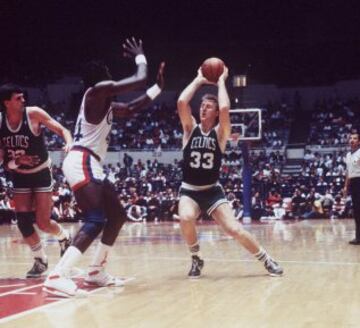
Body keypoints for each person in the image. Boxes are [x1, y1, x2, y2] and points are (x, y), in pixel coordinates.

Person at [44, 38, 165, 297]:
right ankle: (57, 275)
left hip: (91, 163)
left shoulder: (104, 103)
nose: (111, 76)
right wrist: (140, 56)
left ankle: (96, 271)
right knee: (96, 219)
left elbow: (133, 107)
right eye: (108, 73)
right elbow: (137, 80)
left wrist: (158, 89)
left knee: (117, 216)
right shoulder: (97, 91)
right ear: (100, 77)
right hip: (82, 159)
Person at [177, 66, 283, 278]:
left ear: (215, 113)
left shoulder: (220, 134)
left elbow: (225, 109)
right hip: (189, 190)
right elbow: (181, 102)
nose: (203, 109)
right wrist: (198, 79)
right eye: (202, 106)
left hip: (212, 191)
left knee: (234, 230)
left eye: (208, 107)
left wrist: (221, 81)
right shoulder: (190, 129)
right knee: (186, 217)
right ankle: (196, 258)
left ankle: (266, 259)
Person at [0, 83, 72, 278]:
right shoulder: (1, 124)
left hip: (41, 172)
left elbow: (63, 130)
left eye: (23, 97)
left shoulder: (33, 114)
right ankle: (40, 259)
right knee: (23, 221)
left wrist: (69, 143)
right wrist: (17, 161)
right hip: (20, 175)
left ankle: (64, 237)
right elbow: (3, 163)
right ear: (6, 103)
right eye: (18, 98)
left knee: (43, 222)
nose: (23, 100)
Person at [344, 131, 360, 245]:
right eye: (351, 138)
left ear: (359, 142)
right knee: (357, 211)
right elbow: (348, 173)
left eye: (354, 138)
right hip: (354, 184)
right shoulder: (348, 155)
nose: (352, 140)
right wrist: (345, 186)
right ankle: (358, 237)